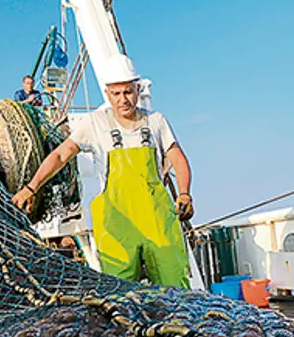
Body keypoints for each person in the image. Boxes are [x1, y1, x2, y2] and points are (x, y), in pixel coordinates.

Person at [12, 54, 195, 287]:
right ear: (107, 94)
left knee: (175, 288)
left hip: (158, 222)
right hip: (117, 225)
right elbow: (60, 155)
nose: (123, 100)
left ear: (137, 90)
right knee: (120, 295)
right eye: (116, 94)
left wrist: (184, 193)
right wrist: (31, 187)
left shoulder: (156, 121)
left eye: (128, 92)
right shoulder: (95, 123)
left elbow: (178, 158)